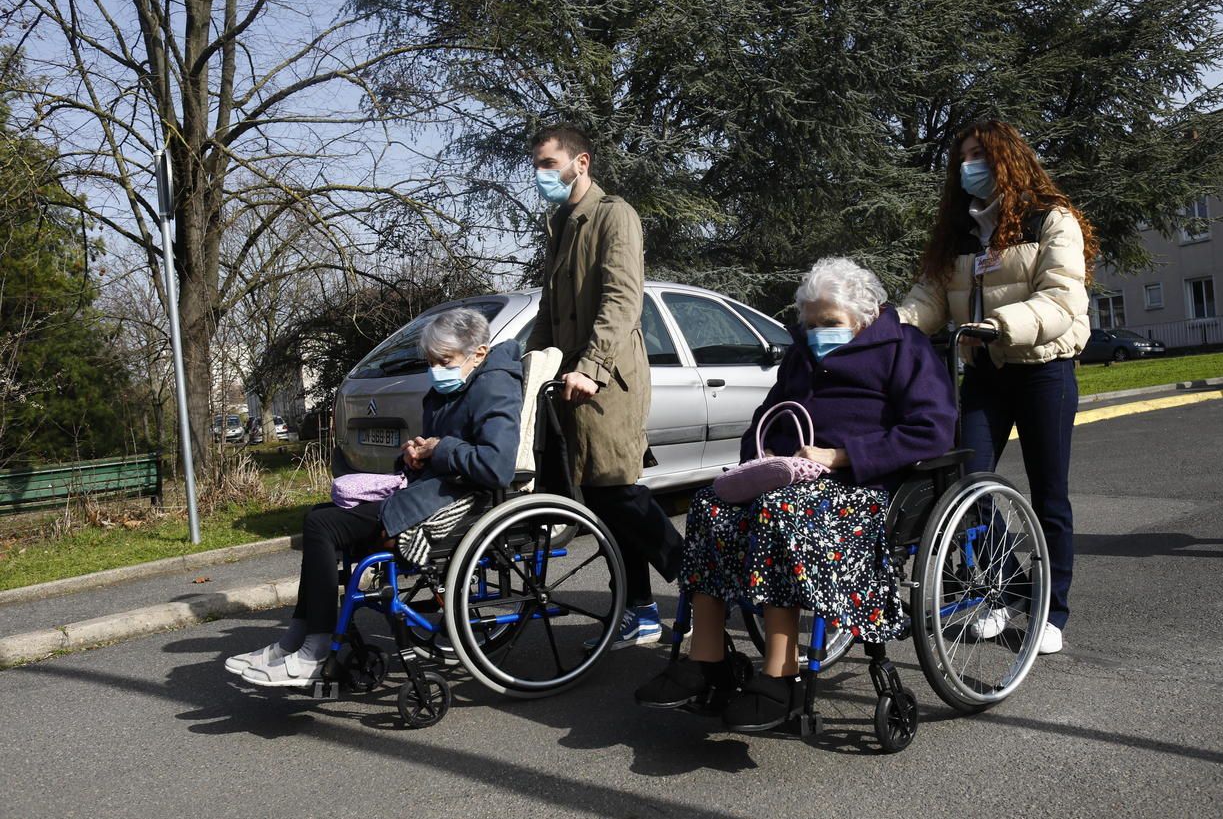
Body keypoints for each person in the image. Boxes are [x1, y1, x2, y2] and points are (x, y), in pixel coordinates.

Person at [635, 258, 955, 730]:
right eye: (810, 324)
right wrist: (759, 462)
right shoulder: (803, 354)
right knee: (711, 504)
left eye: (830, 324)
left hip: (864, 487)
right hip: (795, 480)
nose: (818, 333)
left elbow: (932, 430)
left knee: (778, 512)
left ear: (865, 316)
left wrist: (841, 456)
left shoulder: (903, 348)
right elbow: (767, 416)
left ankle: (781, 672)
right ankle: (708, 658)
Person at [224, 308, 524, 687]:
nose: (435, 370)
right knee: (319, 516)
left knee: (321, 525)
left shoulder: (495, 385)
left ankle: (313, 648)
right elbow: (442, 452)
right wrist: (415, 455)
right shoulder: (455, 386)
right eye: (431, 362)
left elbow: (497, 466)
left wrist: (439, 448)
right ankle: (296, 640)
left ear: (478, 354)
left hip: (458, 501)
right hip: (432, 489)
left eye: (443, 361)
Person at [897, 119, 1097, 655]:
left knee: (1048, 493)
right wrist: (889, 324)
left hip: (1043, 369)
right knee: (968, 481)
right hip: (985, 370)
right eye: (962, 157)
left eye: (979, 155)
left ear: (1007, 159)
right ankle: (999, 589)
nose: (969, 166)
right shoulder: (958, 232)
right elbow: (930, 298)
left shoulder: (1051, 220)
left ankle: (1051, 610)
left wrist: (1001, 324)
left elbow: (1062, 300)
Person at [525, 124, 683, 649]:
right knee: (597, 495)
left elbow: (622, 299)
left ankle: (699, 579)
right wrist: (531, 365)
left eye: (549, 164)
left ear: (581, 162)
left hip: (607, 378)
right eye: (537, 166)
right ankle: (639, 609)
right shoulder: (560, 223)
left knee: (618, 489)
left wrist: (590, 366)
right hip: (569, 380)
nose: (541, 175)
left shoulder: (614, 214)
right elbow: (549, 311)